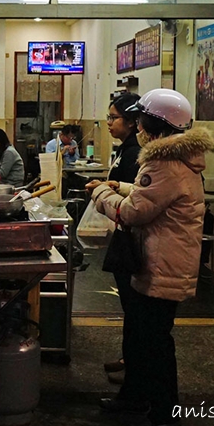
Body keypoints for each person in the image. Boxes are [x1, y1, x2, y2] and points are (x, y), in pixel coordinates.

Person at [87, 89, 214, 426]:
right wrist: (126, 185)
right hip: (162, 260)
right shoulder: (178, 159)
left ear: (152, 124)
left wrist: (102, 193)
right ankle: (135, 397)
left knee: (155, 342)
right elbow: (157, 196)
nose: (137, 124)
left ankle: (164, 415)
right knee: (141, 336)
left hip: (163, 264)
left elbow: (135, 212)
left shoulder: (163, 162)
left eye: (141, 118)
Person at [86, 92, 141, 381]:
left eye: (113, 117)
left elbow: (136, 203)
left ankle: (135, 368)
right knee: (130, 306)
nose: (108, 122)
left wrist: (104, 191)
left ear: (133, 122)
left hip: (134, 239)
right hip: (123, 233)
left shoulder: (138, 153)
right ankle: (129, 359)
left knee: (136, 308)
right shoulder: (125, 149)